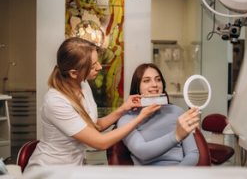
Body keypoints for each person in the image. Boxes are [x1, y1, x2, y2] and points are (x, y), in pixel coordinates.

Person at [24, 37, 161, 172]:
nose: (100, 67)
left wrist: (124, 108)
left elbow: (95, 126)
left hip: (73, 168)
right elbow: (100, 142)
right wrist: (140, 117)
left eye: (98, 62)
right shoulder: (55, 102)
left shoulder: (82, 84)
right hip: (49, 170)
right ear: (73, 73)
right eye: (93, 65)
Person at [117, 63, 200, 166]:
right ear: (137, 87)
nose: (154, 84)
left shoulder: (177, 111)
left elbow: (192, 153)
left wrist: (176, 174)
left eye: (158, 79)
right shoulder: (127, 119)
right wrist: (176, 136)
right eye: (146, 80)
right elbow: (142, 152)